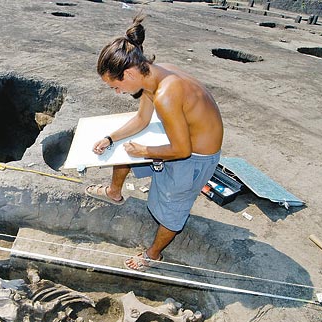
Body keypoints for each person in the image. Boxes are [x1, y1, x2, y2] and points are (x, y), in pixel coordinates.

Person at [85, 16, 223, 271]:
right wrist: (110, 138)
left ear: (127, 73)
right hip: (181, 140)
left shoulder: (167, 95)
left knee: (172, 208)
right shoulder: (154, 75)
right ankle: (114, 192)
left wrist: (145, 151)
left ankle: (153, 254)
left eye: (116, 86)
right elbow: (141, 119)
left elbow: (182, 151)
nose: (117, 92)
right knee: (124, 146)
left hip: (195, 158)